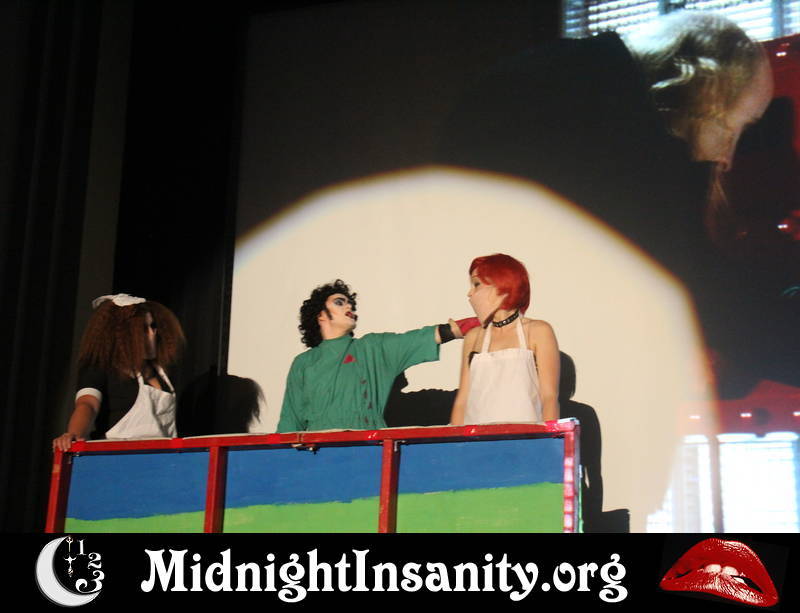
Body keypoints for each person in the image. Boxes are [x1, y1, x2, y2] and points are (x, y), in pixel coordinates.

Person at [437, 11, 788, 396]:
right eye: (736, 127)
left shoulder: (568, 76)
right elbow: (691, 286)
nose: (727, 157)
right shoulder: (621, 134)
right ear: (708, 89)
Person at [276, 279, 478, 432]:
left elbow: (432, 334)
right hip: (318, 455)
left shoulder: (372, 347)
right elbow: (290, 421)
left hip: (370, 450)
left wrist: (489, 320)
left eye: (351, 304)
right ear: (320, 315)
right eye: (339, 302)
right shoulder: (304, 363)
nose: (349, 307)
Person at [52, 294, 185, 451]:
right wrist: (74, 434)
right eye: (144, 329)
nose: (152, 334)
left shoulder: (160, 373)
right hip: (117, 457)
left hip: (161, 458)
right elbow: (87, 404)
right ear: (124, 335)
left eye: (153, 326)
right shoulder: (100, 368)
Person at [450, 254, 560, 425]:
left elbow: (549, 397)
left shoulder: (538, 331)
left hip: (524, 437)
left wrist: (550, 439)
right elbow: (462, 401)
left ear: (500, 284)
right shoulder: (474, 337)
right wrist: (454, 439)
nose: (470, 293)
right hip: (475, 437)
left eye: (476, 284)